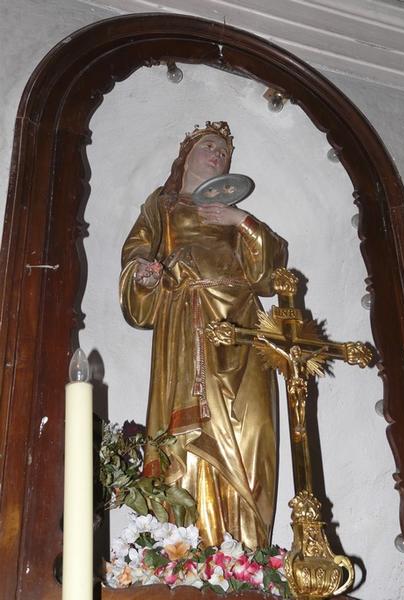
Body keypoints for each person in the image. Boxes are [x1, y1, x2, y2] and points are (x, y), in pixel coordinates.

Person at [119, 121, 288, 549]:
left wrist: (242, 220)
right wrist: (144, 275)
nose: (218, 154)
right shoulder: (162, 206)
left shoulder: (234, 216)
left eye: (224, 153)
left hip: (244, 325)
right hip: (188, 321)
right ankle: (192, 548)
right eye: (209, 146)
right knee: (191, 432)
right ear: (186, 156)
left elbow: (269, 276)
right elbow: (137, 254)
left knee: (257, 430)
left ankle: (250, 550)